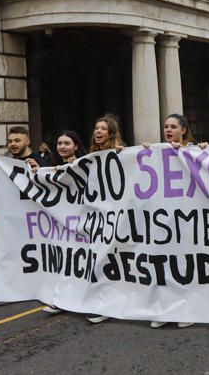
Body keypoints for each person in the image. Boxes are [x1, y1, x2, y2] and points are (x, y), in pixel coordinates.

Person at [0, 127, 48, 307]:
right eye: (10, 141)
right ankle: (4, 292)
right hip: (15, 221)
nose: (13, 144)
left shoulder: (40, 160)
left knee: (42, 255)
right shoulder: (6, 163)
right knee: (9, 255)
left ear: (27, 141)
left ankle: (44, 289)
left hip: (38, 220)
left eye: (17, 140)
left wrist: (39, 169)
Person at [146, 114, 197, 329]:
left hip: (186, 216)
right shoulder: (156, 152)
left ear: (183, 130)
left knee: (184, 263)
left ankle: (187, 309)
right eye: (166, 126)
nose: (168, 130)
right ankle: (164, 308)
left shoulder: (193, 151)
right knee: (162, 261)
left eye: (173, 127)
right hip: (163, 218)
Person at [41, 130, 88, 315]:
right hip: (63, 226)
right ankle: (60, 300)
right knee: (66, 262)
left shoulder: (86, 163)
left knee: (84, 263)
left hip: (84, 224)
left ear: (76, 146)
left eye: (67, 143)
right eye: (59, 143)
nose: (62, 146)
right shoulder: (51, 166)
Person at [85, 115, 125, 323]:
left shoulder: (121, 153)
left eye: (103, 128)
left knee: (111, 260)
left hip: (118, 217)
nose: (98, 131)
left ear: (111, 133)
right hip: (98, 218)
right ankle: (103, 303)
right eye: (96, 127)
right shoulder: (90, 157)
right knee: (99, 260)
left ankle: (109, 304)